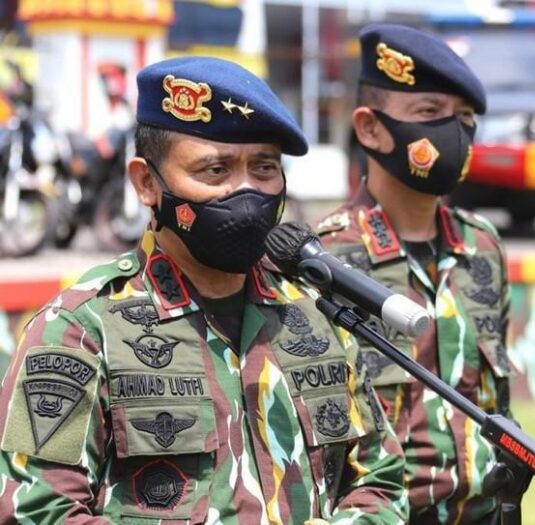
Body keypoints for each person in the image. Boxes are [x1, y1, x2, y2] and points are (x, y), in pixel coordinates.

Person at [0, 56, 407, 524]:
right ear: (147, 182)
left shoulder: (315, 315)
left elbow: (381, 481)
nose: (246, 193)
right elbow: (38, 511)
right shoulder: (81, 330)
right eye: (215, 171)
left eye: (264, 168)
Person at [314, 24, 518, 524]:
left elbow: (496, 404)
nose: (454, 132)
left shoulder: (482, 247)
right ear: (370, 129)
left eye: (465, 118)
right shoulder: (325, 259)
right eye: (430, 114)